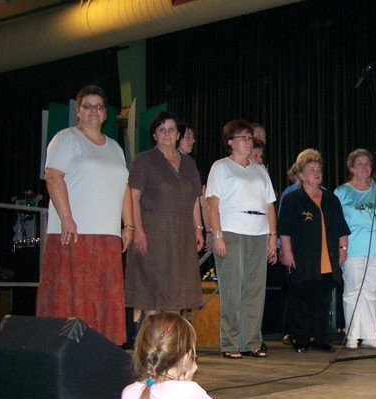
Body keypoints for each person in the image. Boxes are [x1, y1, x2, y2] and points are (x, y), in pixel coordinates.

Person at [36, 85, 133, 346]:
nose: (94, 111)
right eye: (88, 106)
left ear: (105, 114)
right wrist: (67, 219)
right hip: (74, 233)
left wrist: (129, 225)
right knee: (73, 296)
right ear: (78, 111)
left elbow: (124, 186)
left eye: (99, 106)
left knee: (103, 296)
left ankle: (100, 349)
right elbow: (54, 177)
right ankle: (66, 350)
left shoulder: (114, 147)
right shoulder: (66, 138)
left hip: (107, 236)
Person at [205, 119, 278, 359]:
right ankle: (231, 342)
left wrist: (272, 237)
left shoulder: (259, 170)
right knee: (232, 288)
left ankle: (252, 341)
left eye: (250, 138)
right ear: (230, 143)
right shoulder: (221, 167)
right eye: (243, 138)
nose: (248, 142)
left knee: (255, 290)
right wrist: (217, 236)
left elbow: (270, 206)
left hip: (258, 232)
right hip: (232, 231)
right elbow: (212, 205)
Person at [124, 112, 204, 317]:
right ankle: (152, 347)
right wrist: (137, 231)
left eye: (171, 129)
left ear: (178, 134)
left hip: (182, 237)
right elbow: (133, 198)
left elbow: (195, 198)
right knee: (153, 295)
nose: (167, 134)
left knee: (177, 293)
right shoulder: (145, 160)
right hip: (153, 236)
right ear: (154, 135)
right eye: (161, 130)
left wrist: (198, 228)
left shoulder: (188, 163)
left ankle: (171, 346)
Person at [278, 154, 350, 352]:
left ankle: (319, 337)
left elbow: (341, 227)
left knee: (322, 299)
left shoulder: (331, 198)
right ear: (301, 174)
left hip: (327, 257)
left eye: (319, 170)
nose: (317, 173)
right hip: (303, 256)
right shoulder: (293, 199)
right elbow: (284, 229)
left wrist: (343, 249)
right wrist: (287, 252)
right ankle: (300, 338)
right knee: (301, 298)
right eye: (311, 170)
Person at [335, 149, 376, 350]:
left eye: (368, 163)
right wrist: (342, 247)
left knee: (371, 292)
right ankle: (352, 335)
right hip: (353, 247)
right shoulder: (342, 192)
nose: (365, 167)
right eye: (360, 164)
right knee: (352, 292)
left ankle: (370, 335)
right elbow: (338, 224)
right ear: (351, 167)